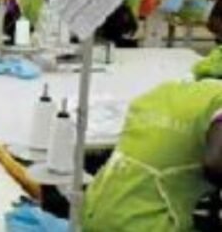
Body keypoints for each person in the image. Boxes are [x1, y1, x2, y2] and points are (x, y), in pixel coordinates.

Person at [83, 79, 222, 231]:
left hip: (97, 212)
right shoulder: (218, 100)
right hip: (149, 222)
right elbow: (215, 163)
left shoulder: (168, 91)